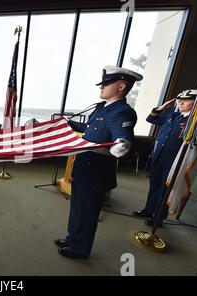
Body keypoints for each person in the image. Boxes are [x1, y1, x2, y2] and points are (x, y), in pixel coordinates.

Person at [55, 66, 143, 259]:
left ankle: (80, 249)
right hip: (83, 166)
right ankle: (72, 239)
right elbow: (88, 129)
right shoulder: (103, 108)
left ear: (121, 86)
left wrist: (123, 144)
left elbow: (122, 135)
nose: (101, 87)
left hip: (96, 171)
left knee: (87, 212)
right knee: (78, 207)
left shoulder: (123, 112)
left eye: (106, 83)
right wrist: (66, 123)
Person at [133, 89, 197, 226]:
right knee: (154, 186)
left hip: (173, 161)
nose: (180, 102)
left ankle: (158, 217)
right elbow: (151, 119)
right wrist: (163, 106)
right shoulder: (173, 115)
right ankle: (148, 210)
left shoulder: (194, 123)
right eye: (179, 99)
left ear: (195, 103)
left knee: (165, 190)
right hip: (159, 156)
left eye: (186, 100)